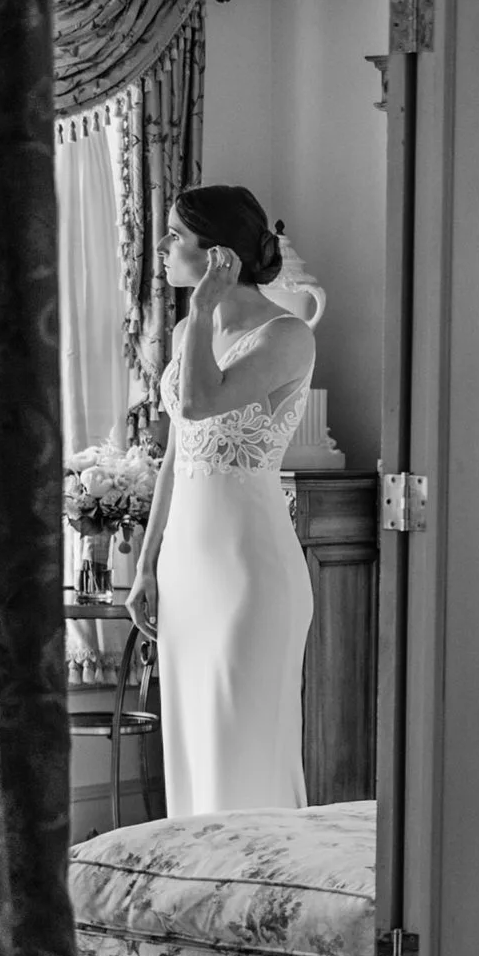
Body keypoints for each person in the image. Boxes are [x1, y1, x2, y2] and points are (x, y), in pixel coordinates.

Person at [125, 185, 318, 815]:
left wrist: (205, 309)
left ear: (219, 257)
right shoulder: (187, 329)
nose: (162, 247)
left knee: (244, 748)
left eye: (176, 236)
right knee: (194, 750)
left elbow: (197, 403)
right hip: (186, 569)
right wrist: (147, 565)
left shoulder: (287, 335)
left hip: (249, 573)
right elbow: (179, 453)